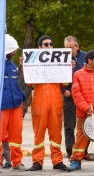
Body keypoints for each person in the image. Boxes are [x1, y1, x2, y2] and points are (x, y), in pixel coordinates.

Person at [27, 35, 67, 171]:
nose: (49, 46)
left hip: (55, 102)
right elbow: (29, 82)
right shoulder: (33, 60)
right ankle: (37, 161)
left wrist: (68, 68)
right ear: (39, 47)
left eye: (51, 44)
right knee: (38, 133)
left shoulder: (60, 61)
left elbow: (65, 82)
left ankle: (57, 161)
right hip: (39, 102)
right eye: (46, 44)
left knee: (56, 134)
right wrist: (25, 66)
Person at [0, 34, 26, 174]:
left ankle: (17, 162)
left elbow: (15, 81)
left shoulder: (11, 64)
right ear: (6, 51)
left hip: (15, 104)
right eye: (13, 50)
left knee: (16, 135)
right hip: (1, 105)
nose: (15, 52)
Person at [62, 36, 94, 161]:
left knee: (85, 125)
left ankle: (84, 151)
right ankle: (71, 152)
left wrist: (75, 67)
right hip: (69, 96)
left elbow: (89, 73)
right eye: (66, 47)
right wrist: (63, 90)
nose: (68, 50)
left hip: (83, 97)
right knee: (69, 126)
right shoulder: (61, 57)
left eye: (70, 48)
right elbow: (56, 76)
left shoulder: (86, 57)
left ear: (77, 46)